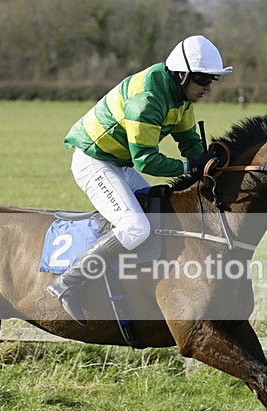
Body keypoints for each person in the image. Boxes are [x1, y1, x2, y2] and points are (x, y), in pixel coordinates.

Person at [48, 35, 232, 323]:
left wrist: (206, 161)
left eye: (213, 80)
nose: (208, 87)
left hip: (117, 161)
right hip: (94, 161)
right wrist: (188, 167)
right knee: (134, 227)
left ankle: (142, 286)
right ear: (182, 75)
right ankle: (68, 282)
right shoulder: (147, 100)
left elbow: (190, 143)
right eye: (203, 79)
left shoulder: (180, 98)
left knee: (160, 212)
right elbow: (145, 159)